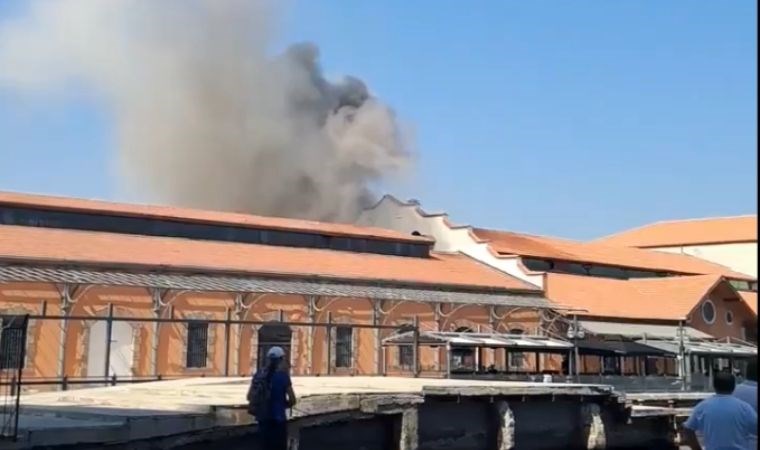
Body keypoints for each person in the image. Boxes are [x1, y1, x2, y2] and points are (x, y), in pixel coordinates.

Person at [683, 371, 757, 450]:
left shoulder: (703, 407)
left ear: (714, 386)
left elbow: (688, 429)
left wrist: (697, 448)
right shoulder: (744, 408)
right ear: (733, 387)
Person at [247, 346, 297, 450]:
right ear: (281, 359)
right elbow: (292, 399)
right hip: (278, 420)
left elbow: (249, 396)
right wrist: (284, 404)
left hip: (263, 419)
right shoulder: (283, 376)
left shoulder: (258, 375)